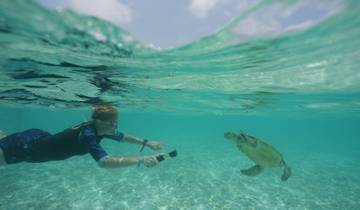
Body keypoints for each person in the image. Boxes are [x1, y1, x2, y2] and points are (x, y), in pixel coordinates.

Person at [0, 104, 164, 168]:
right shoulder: (88, 135)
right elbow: (104, 163)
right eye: (113, 123)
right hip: (26, 148)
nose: (116, 127)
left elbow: (122, 137)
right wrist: (141, 159)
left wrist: (147, 143)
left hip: (36, 138)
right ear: (99, 121)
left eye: (116, 123)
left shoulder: (101, 129)